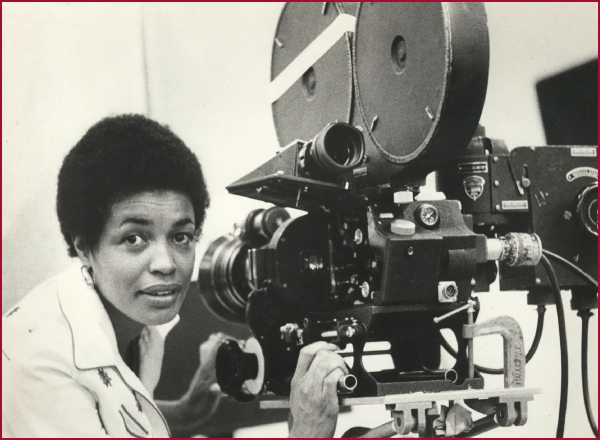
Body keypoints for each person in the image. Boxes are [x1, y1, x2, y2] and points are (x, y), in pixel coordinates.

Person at [2, 114, 348, 437]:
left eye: (181, 236)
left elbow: (120, 416)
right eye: (134, 239)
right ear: (84, 246)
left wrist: (188, 408)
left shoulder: (128, 318)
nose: (166, 264)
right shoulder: (42, 362)